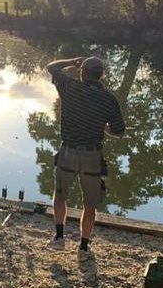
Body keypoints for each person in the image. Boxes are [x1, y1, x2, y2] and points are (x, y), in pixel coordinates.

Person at [46, 56, 125, 261]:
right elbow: (119, 131)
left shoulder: (69, 87)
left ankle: (59, 237)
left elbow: (52, 67)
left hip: (68, 151)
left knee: (60, 195)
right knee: (90, 203)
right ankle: (83, 248)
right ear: (102, 75)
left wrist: (74, 60)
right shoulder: (109, 99)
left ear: (82, 72)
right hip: (92, 155)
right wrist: (104, 127)